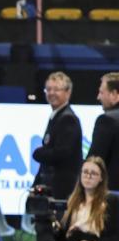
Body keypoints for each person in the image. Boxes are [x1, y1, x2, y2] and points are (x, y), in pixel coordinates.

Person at [32, 72, 83, 200]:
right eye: (48, 89)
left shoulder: (68, 119)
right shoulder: (56, 116)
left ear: (68, 92)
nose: (51, 93)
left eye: (56, 89)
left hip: (62, 189)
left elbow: (62, 153)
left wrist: (38, 153)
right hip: (52, 187)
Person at [86, 72, 119, 181]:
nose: (98, 97)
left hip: (111, 193)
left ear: (114, 94)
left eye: (101, 92)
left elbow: (95, 160)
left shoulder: (106, 120)